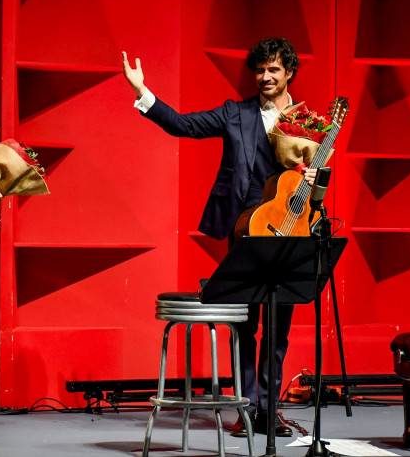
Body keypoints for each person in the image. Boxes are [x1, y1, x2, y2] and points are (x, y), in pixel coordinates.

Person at [122, 37, 316, 438]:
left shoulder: (310, 121)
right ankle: (247, 410)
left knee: (278, 328)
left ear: (289, 73)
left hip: (290, 227)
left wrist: (317, 180)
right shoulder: (235, 113)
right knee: (245, 324)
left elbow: (320, 183)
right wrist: (143, 92)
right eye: (260, 70)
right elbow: (184, 125)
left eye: (273, 70)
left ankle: (269, 410)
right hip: (245, 227)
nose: (265, 77)